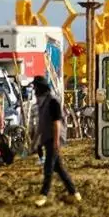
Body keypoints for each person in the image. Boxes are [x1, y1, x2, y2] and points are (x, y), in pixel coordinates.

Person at [32, 76, 81, 207]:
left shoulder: (53, 102)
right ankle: (74, 193)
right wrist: (35, 142)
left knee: (48, 168)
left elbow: (57, 123)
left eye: (35, 87)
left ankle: (43, 195)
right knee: (58, 168)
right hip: (48, 138)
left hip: (54, 138)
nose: (34, 90)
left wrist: (56, 141)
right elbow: (41, 125)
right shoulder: (42, 103)